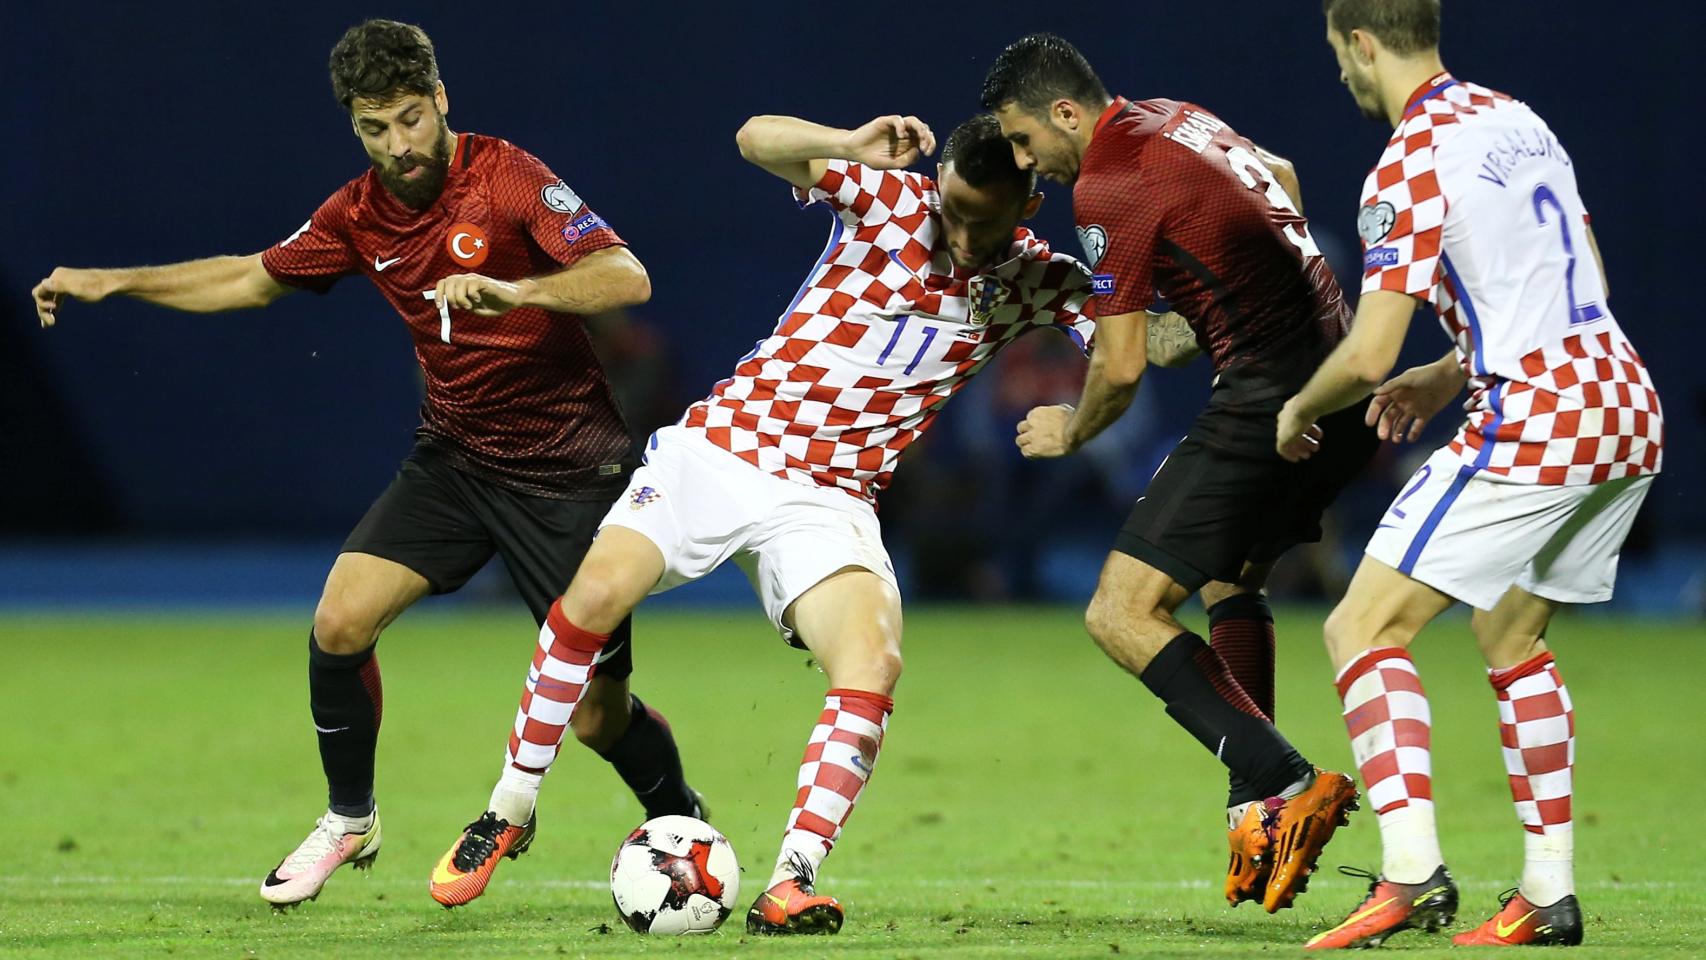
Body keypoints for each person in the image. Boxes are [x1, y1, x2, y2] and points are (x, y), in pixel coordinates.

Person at [29, 19, 705, 908]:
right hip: (455, 461)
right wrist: (116, 281)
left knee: (594, 716)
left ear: (441, 99)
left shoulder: (508, 176)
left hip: (569, 473)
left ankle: (684, 822)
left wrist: (517, 289)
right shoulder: (357, 214)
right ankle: (350, 819)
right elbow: (249, 277)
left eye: (411, 119)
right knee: (340, 620)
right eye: (374, 128)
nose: (398, 145)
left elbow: (625, 275)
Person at [434, 111, 1112, 934]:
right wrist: (849, 145)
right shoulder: (889, 199)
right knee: (594, 597)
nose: (964, 238)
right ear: (939, 184)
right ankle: (507, 809)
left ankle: (792, 880)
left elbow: (1146, 344)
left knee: (874, 659)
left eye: (986, 223)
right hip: (726, 448)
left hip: (829, 499)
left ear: (1028, 208)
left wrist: (1144, 319)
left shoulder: (1041, 280)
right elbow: (753, 138)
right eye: (956, 212)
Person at [1287, 0, 1663, 949]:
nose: (1340, 72)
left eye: (1338, 52)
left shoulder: (1408, 159)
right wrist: (1450, 369)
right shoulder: (1518, 120)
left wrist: (1298, 408)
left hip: (1540, 413)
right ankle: (1547, 893)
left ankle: (1411, 875)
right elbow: (1586, 278)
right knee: (1510, 634)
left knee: (1360, 625)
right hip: (1626, 404)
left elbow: (1367, 354)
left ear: (1362, 42)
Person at [981, 33, 1374, 913]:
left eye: (1023, 139)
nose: (1024, 162)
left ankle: (1284, 781)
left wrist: (1069, 430)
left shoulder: (1106, 183)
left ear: (1065, 114)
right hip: (1340, 382)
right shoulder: (1176, 116)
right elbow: (1282, 175)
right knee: (1231, 580)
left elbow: (1119, 368)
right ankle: (1257, 811)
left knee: (1119, 611)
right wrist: (1222, 305)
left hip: (1269, 400)